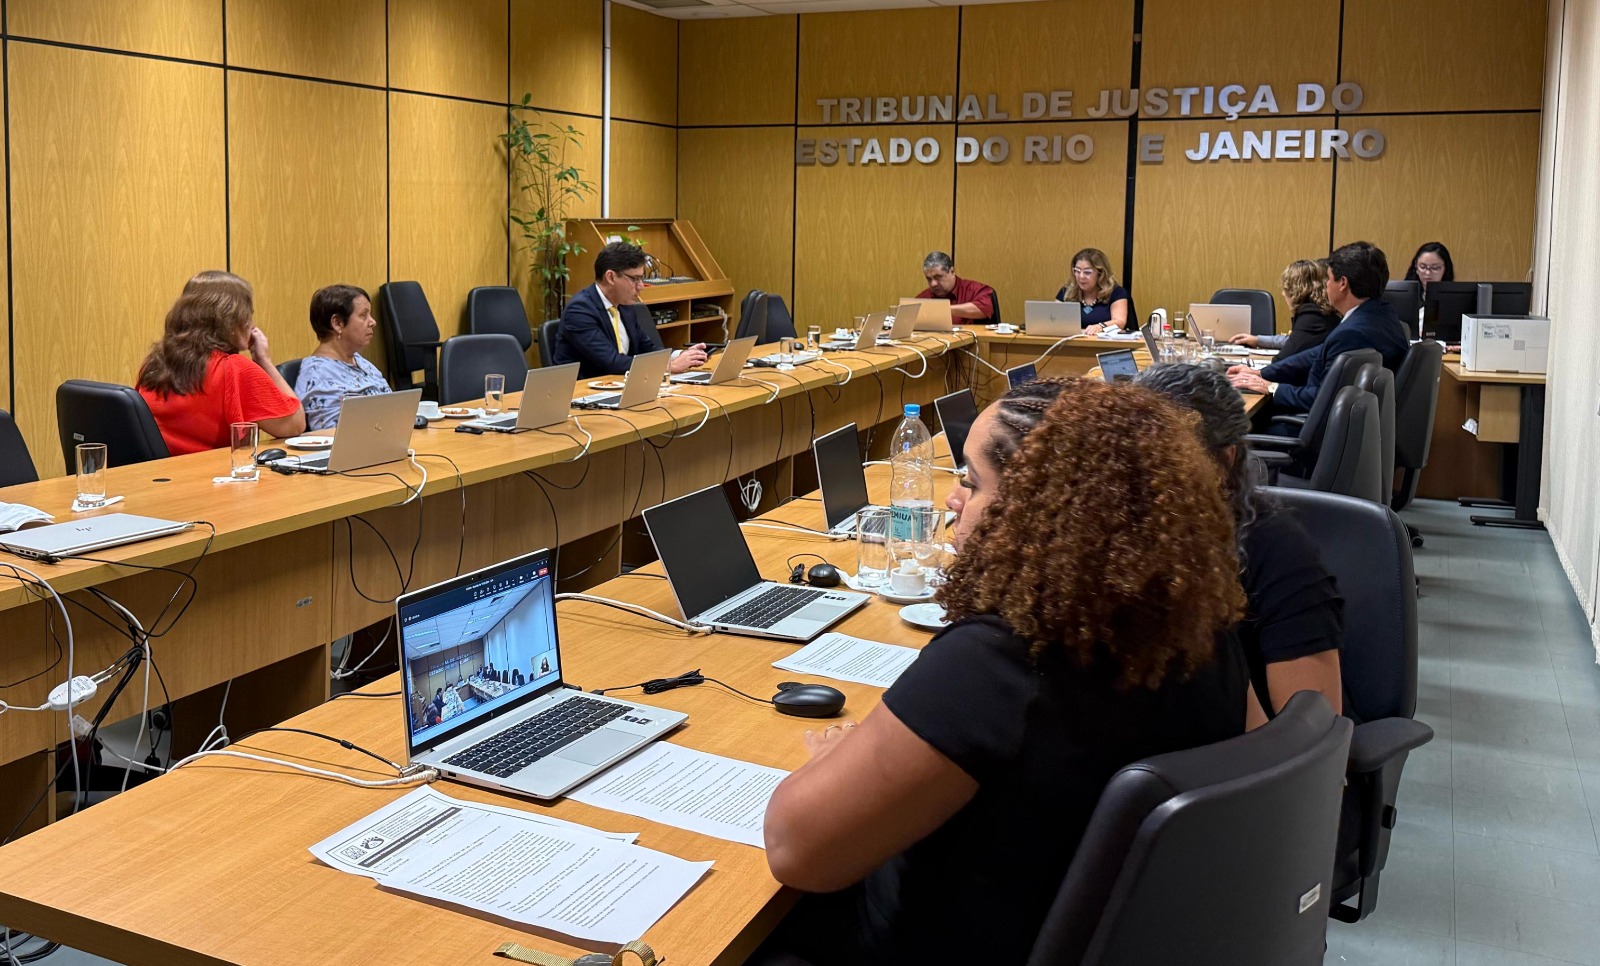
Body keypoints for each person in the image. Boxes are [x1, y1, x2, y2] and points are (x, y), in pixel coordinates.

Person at [761, 378, 1249, 965]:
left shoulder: (1000, 664)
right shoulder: (1201, 629)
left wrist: (834, 764)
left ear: (1036, 509)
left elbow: (796, 851)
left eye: (970, 482)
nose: (952, 501)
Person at [1135, 363, 1346, 727]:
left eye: (1169, 460)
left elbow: (1312, 738)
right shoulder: (1121, 539)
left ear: (1224, 461)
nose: (1143, 476)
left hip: (1250, 763)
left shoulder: (1275, 549)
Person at [1227, 241, 1410, 415]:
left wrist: (1271, 387)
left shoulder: (1353, 333)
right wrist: (1261, 373)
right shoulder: (1381, 315)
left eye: (1328, 279)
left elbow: (1323, 399)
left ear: (1343, 284)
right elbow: (1317, 353)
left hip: (1309, 431)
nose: (1326, 286)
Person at [137, 270, 305, 455]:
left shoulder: (153, 365)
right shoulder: (235, 368)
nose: (252, 324)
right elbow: (295, 425)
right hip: (214, 478)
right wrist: (264, 361)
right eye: (248, 315)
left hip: (160, 478)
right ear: (232, 321)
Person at [552, 242, 708, 378]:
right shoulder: (580, 310)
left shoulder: (625, 306)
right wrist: (669, 367)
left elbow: (647, 349)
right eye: (635, 279)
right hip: (584, 396)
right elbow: (612, 362)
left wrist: (681, 356)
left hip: (621, 387)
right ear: (611, 277)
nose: (641, 286)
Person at [294, 285, 390, 431]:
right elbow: (333, 435)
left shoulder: (360, 361)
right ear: (337, 323)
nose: (373, 322)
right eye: (364, 315)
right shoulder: (317, 374)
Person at [1229, 259, 1341, 357]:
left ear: (1296, 290)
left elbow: (1287, 355)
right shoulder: (1322, 310)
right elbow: (1293, 340)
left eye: (1286, 288)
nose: (1283, 293)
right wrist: (1257, 340)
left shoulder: (1312, 315)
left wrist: (1260, 372)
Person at [1054, 247, 1129, 335]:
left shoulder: (1116, 292)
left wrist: (1099, 327)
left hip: (1106, 345)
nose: (1081, 276)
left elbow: (1119, 322)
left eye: (1087, 272)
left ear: (1100, 273)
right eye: (1077, 271)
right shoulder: (1066, 291)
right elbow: (1054, 320)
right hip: (1070, 344)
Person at [913, 252, 996, 323]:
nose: (933, 284)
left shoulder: (973, 290)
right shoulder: (922, 298)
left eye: (938, 277)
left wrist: (942, 309)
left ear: (952, 272)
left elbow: (985, 308)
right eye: (929, 279)